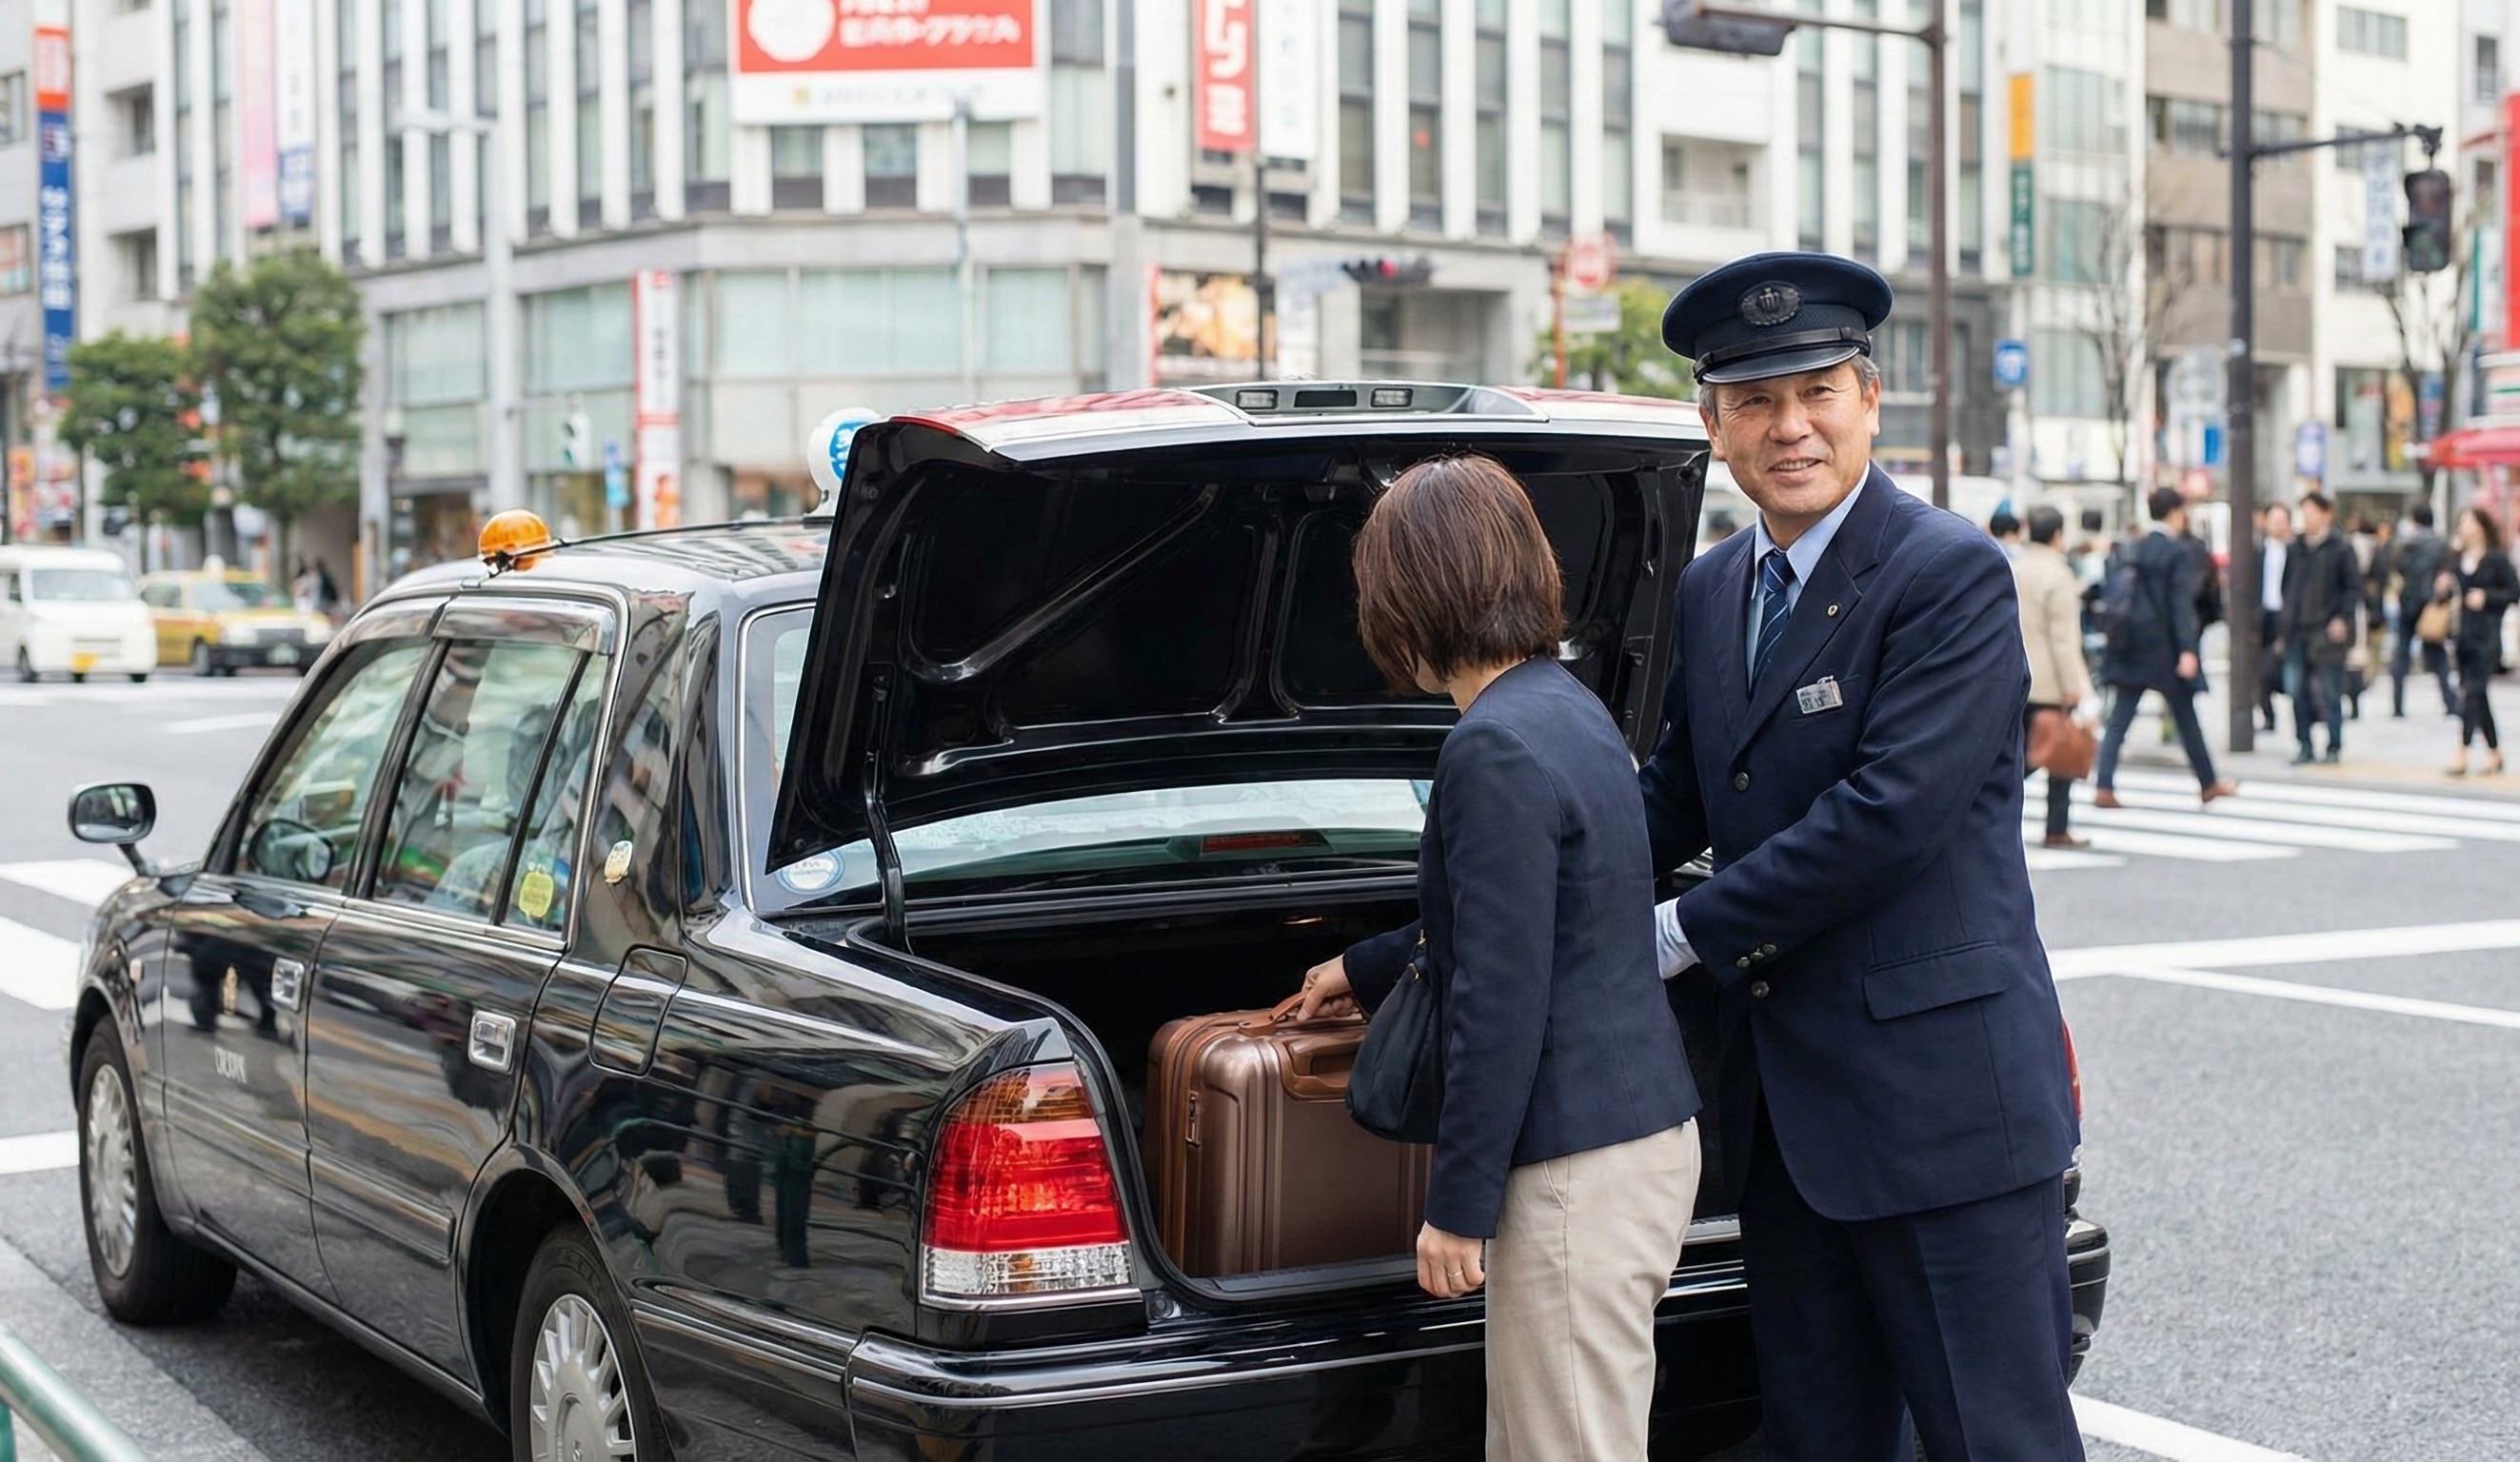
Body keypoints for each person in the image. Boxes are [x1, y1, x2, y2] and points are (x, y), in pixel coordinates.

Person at [1640, 251, 2084, 1461]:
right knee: (1817, 1438)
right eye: (1754, 403)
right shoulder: (1710, 587)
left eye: (1816, 393)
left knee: (1995, 1439)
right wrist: (1466, 905)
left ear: (1869, 401)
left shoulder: (1944, 571)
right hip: (1787, 1116)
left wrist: (1677, 934)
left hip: (1943, 1109)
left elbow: (1886, 816)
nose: (1790, 428)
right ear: (1712, 427)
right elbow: (1675, 795)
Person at [1294, 454, 1701, 1462]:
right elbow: (1544, 918)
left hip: (1572, 1170)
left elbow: (1500, 999)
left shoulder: (1490, 745)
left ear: (1412, 597)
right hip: (1633, 1136)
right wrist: (1370, 965)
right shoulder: (1565, 708)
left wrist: (1457, 1212)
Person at [2093, 488, 2241, 808]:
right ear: (2175, 511)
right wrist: (2188, 649)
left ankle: (2104, 785)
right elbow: (2179, 604)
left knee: (2120, 718)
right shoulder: (2175, 552)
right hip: (2163, 649)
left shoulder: (2133, 546)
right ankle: (2208, 783)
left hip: (2130, 644)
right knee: (2186, 717)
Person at [2016, 505, 2094, 847]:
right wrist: (2073, 686)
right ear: (2058, 535)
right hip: (2048, 680)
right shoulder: (2058, 575)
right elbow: (2064, 638)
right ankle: (2057, 827)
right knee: (2056, 754)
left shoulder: (2013, 567)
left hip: (2016, 676)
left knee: (2017, 754)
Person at [2281, 492, 2360, 764]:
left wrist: (2342, 619)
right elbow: (2287, 585)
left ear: (2326, 514)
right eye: (2304, 512)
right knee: (2296, 689)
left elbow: (2352, 589)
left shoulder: (2340, 548)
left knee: (2330, 690)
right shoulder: (2295, 548)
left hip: (2327, 630)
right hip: (2297, 629)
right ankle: (2304, 743)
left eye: (2312, 512)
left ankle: (2334, 744)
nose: (2307, 518)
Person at [2442, 505, 2519, 776]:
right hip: (2462, 635)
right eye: (2463, 522)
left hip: (2486, 636)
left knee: (2471, 693)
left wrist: (2486, 598)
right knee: (2478, 696)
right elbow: (2446, 594)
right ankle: (2496, 753)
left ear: (2483, 526)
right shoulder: (2456, 558)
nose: (2466, 527)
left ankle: (2462, 751)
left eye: (2471, 522)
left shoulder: (2496, 560)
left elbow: (2514, 591)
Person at [2386, 501, 2456, 719]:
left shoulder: (2403, 544)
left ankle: (2397, 704)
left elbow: (2395, 569)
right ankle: (2450, 702)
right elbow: (2449, 575)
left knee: (2401, 655)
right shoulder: (2441, 545)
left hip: (2407, 604)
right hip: (2431, 606)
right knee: (2438, 656)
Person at [2256, 504, 2294, 733]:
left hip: (2288, 616)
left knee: (2291, 668)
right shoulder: (2258, 552)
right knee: (2262, 671)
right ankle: (2268, 714)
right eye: (2274, 520)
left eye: (2282, 520)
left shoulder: (2296, 551)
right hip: (2264, 616)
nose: (2278, 525)